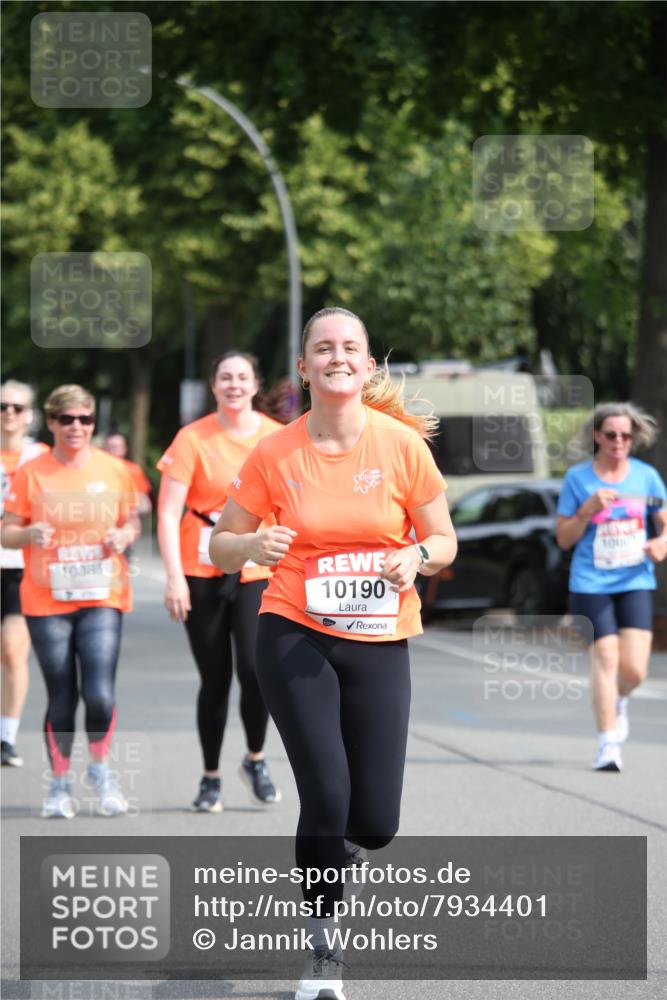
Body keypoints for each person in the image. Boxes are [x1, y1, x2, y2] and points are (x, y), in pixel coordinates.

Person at [209, 307, 457, 1000]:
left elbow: (443, 540)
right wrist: (253, 547)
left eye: (350, 347)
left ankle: (340, 848)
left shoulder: (402, 446)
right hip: (294, 629)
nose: (337, 356)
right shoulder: (273, 451)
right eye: (324, 347)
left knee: (374, 822)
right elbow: (220, 544)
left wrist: (415, 555)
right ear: (304, 367)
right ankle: (322, 950)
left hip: (380, 635)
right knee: (326, 793)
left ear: (367, 365)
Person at [1, 385, 139, 818]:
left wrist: (125, 535)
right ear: (53, 422)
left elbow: (131, 519)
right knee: (62, 694)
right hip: (47, 598)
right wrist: (27, 534)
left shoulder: (114, 469)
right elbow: (6, 529)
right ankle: (59, 784)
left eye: (85, 419)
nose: (76, 427)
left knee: (98, 694)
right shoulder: (32, 471)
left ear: (93, 423)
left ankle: (99, 770)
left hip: (103, 593)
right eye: (66, 419)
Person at [157, 352, 283, 814]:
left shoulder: (276, 437)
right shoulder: (193, 438)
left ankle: (255, 758)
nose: (233, 384)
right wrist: (174, 578)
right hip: (201, 567)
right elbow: (168, 512)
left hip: (258, 568)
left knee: (255, 670)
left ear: (255, 384)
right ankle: (210, 776)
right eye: (225, 377)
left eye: (242, 377)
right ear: (214, 385)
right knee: (215, 677)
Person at [556, 402, 667, 772]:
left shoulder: (647, 478)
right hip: (590, 582)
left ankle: (619, 698)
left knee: (634, 670)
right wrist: (586, 510)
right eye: (611, 435)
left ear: (633, 439)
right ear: (596, 437)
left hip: (635, 579)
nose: (618, 441)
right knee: (605, 658)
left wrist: (661, 543)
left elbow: (664, 523)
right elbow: (563, 539)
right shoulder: (578, 480)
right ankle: (607, 744)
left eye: (625, 435)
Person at [1, 380, 49, 767]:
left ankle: (7, 736)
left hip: (21, 567)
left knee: (14, 651)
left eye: (17, 408)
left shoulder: (42, 457)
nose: (9, 414)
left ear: (29, 415)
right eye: (2, 407)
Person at [103, 432, 153, 516]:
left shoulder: (134, 470)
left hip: (127, 520)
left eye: (117, 446)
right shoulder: (96, 469)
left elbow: (145, 503)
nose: (113, 450)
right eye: (110, 446)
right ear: (104, 448)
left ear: (124, 449)